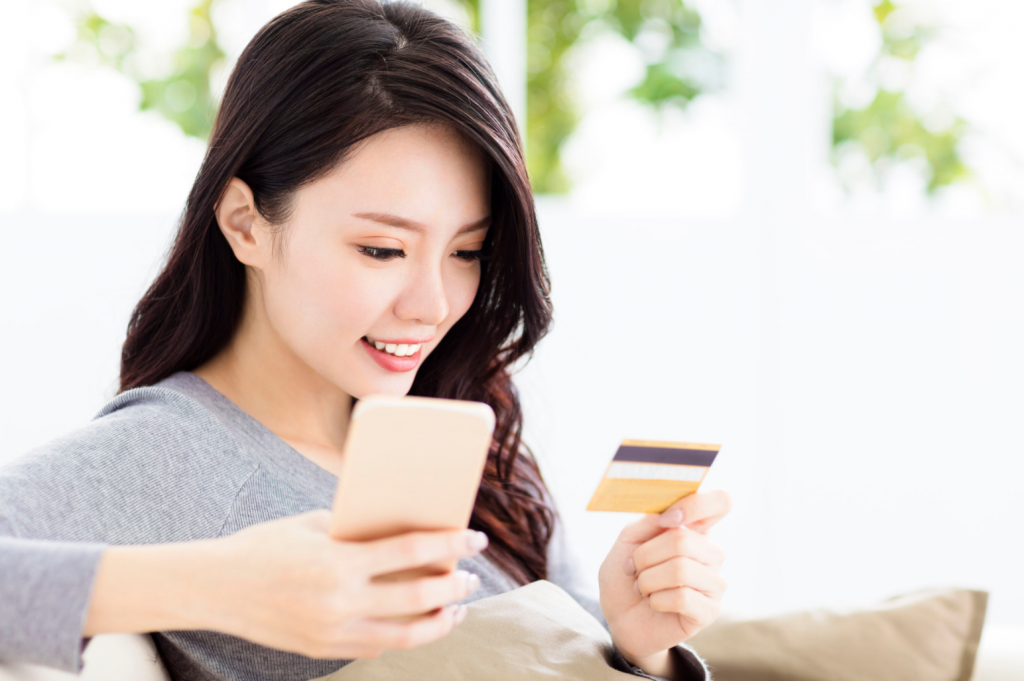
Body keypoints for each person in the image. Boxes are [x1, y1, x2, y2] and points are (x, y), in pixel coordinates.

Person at [0, 1, 731, 680]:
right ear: (246, 223)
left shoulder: (456, 424)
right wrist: (217, 582)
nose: (434, 304)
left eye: (466, 251)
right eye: (382, 250)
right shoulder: (167, 454)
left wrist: (639, 642)